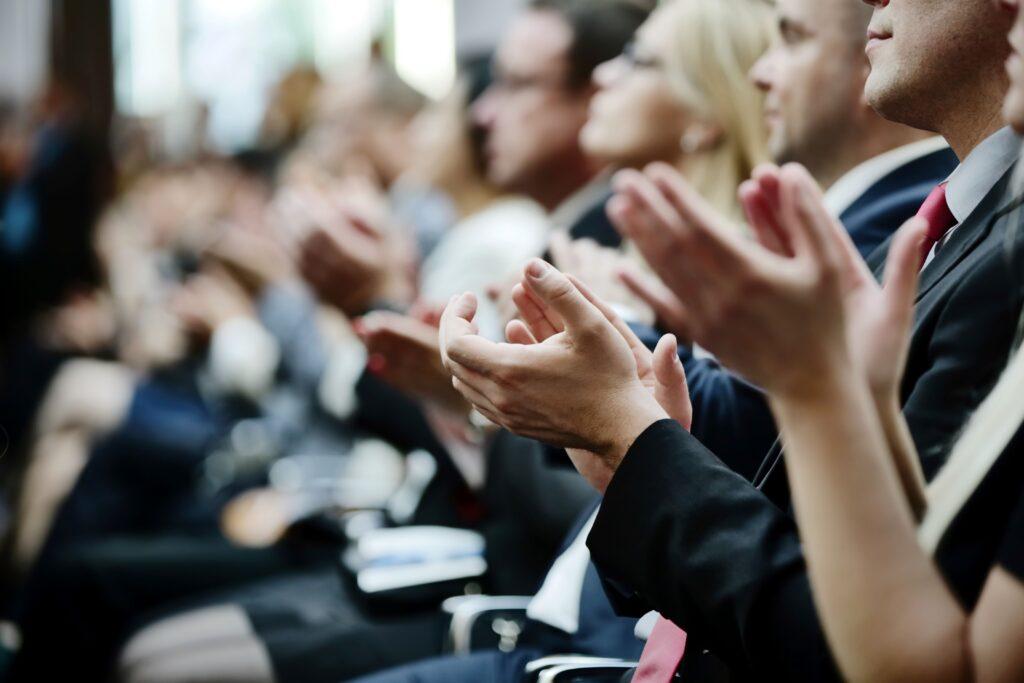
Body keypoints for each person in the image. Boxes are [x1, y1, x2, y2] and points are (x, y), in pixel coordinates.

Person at [436, 0, 1021, 679]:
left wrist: (634, 436)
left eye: (793, 39)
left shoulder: (956, 237)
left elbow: (891, 642)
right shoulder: (956, 220)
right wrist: (632, 434)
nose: (761, 74)